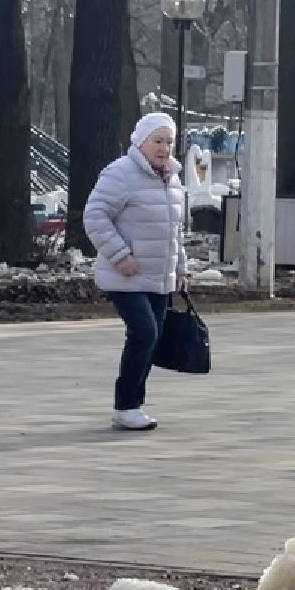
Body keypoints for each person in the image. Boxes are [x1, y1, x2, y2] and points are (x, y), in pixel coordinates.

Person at [83, 111, 189, 432]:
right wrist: (120, 255)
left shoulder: (171, 178)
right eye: (158, 141)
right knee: (144, 332)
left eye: (169, 142)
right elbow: (95, 216)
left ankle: (133, 405)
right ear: (140, 142)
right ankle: (126, 405)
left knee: (151, 339)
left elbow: (175, 231)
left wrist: (181, 268)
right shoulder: (121, 173)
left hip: (159, 276)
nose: (164, 148)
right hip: (125, 275)